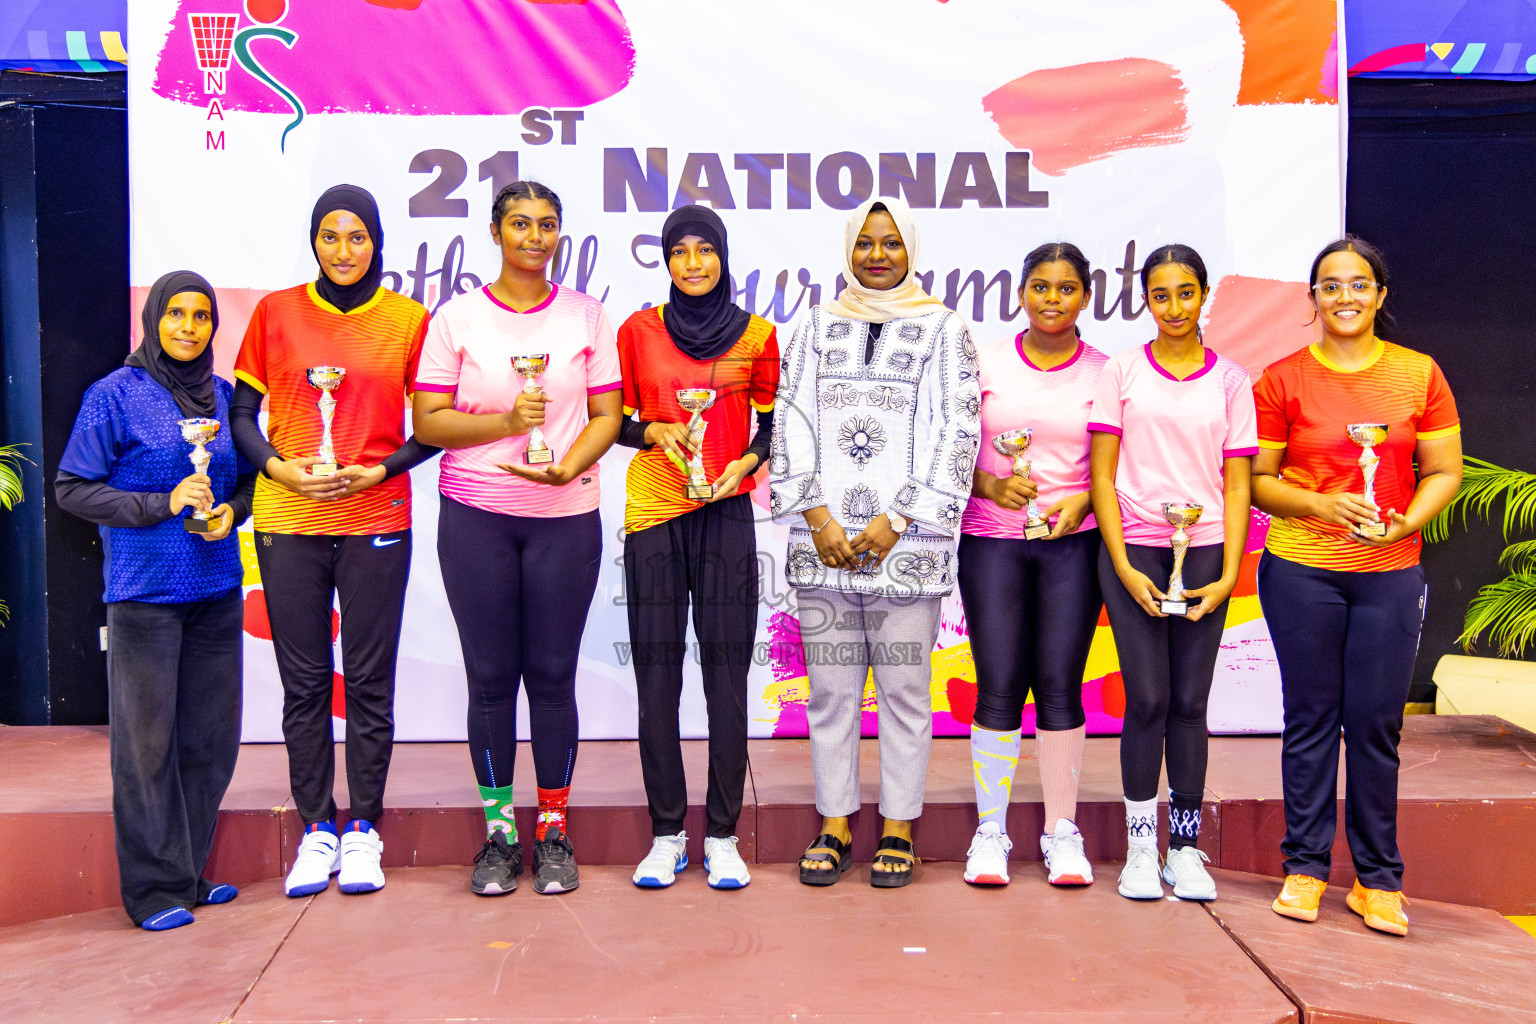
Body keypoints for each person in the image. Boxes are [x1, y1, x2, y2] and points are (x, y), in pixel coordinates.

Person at [412, 181, 622, 897]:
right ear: (495, 231)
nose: (535, 236)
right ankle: (500, 837)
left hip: (566, 519)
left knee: (554, 679)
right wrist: (505, 425)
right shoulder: (457, 318)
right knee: (492, 680)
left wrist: (571, 464)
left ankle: (554, 831)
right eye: (521, 224)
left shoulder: (586, 316)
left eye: (548, 225)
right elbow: (429, 423)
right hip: (476, 517)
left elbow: (606, 415)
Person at [230, 185, 435, 898]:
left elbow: (432, 427)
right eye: (329, 236)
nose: (343, 251)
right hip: (288, 521)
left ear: (377, 242)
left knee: (370, 684)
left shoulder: (409, 320)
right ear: (313, 240)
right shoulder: (276, 313)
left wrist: (376, 470)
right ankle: (318, 829)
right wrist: (281, 469)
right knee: (306, 685)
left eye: (357, 237)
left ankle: (365, 830)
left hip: (376, 519)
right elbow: (242, 415)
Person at [771, 196, 980, 888]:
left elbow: (960, 431)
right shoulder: (815, 326)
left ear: (911, 250)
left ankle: (898, 827)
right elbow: (790, 422)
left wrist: (899, 519)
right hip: (822, 544)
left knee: (904, 693)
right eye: (866, 243)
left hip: (907, 546)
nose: (878, 255)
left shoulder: (945, 330)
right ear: (848, 250)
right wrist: (821, 519)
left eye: (891, 243)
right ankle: (834, 824)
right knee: (829, 694)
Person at [1253, 237, 1461, 936]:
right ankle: (1306, 869)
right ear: (1312, 300)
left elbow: (1444, 472)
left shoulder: (1418, 374)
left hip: (1389, 576)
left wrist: (1406, 521)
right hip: (1303, 571)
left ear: (1380, 295)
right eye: (1330, 286)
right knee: (1311, 720)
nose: (1345, 297)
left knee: (1376, 726)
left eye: (1359, 284)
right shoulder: (1281, 378)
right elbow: (1258, 483)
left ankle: (1378, 881)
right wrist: (1317, 505)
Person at [55, 271, 254, 930]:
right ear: (153, 318)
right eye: (177, 314)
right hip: (144, 595)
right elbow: (73, 488)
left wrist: (232, 511)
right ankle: (152, 892)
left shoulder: (225, 399)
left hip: (217, 591)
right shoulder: (114, 396)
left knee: (211, 742)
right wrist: (159, 504)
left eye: (201, 316)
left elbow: (250, 484)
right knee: (145, 748)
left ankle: (188, 874)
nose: (189, 327)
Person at [1087, 243, 1256, 902]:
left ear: (1204, 294)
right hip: (1133, 553)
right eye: (1161, 295)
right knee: (1148, 700)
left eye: (1186, 293)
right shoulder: (1123, 371)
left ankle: (1183, 849)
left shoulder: (1232, 381)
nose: (1175, 307)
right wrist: (1124, 565)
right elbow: (1101, 473)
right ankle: (1138, 849)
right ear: (1146, 300)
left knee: (1189, 704)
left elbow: (1237, 486)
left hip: (1207, 554)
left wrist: (1228, 572)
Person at [617, 206, 779, 890]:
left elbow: (771, 429)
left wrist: (744, 466)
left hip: (727, 517)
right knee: (656, 680)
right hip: (654, 514)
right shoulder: (637, 332)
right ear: (665, 258)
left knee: (725, 679)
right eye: (678, 251)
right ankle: (664, 833)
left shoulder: (759, 335)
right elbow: (614, 422)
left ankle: (720, 834)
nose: (691, 263)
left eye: (703, 250)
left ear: (721, 255)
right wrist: (654, 433)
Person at [959, 243, 1107, 887]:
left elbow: (1120, 462)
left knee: (1059, 686)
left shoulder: (1107, 372)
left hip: (1074, 546)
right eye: (1041, 286)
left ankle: (1060, 833)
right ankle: (991, 831)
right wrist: (989, 488)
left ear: (1086, 296)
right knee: (997, 685)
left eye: (1067, 288)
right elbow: (946, 446)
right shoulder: (983, 360)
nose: (1053, 299)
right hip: (991, 541)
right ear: (1021, 292)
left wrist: (1083, 501)